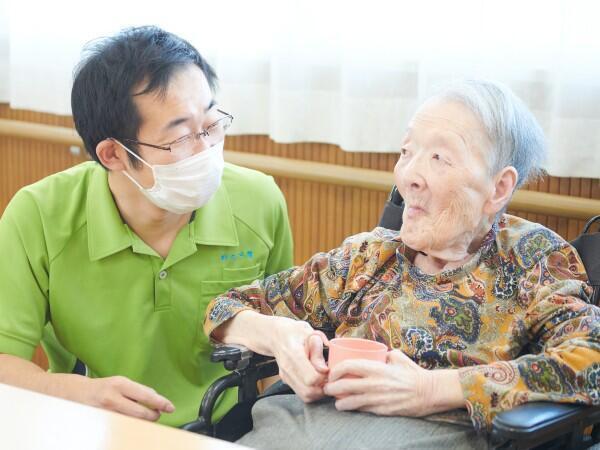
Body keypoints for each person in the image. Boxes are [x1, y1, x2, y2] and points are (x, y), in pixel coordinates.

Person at [204, 80, 600, 448]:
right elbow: (224, 309)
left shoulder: (532, 259)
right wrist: (277, 336)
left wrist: (431, 390)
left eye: (440, 158)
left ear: (499, 187)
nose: (408, 174)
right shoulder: (370, 256)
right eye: (407, 151)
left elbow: (591, 360)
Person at [0, 26, 293, 427]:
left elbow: (281, 346)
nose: (206, 150)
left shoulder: (260, 202)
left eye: (211, 123)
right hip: (89, 420)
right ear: (113, 154)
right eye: (180, 139)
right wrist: (77, 394)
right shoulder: (39, 216)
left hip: (227, 425)